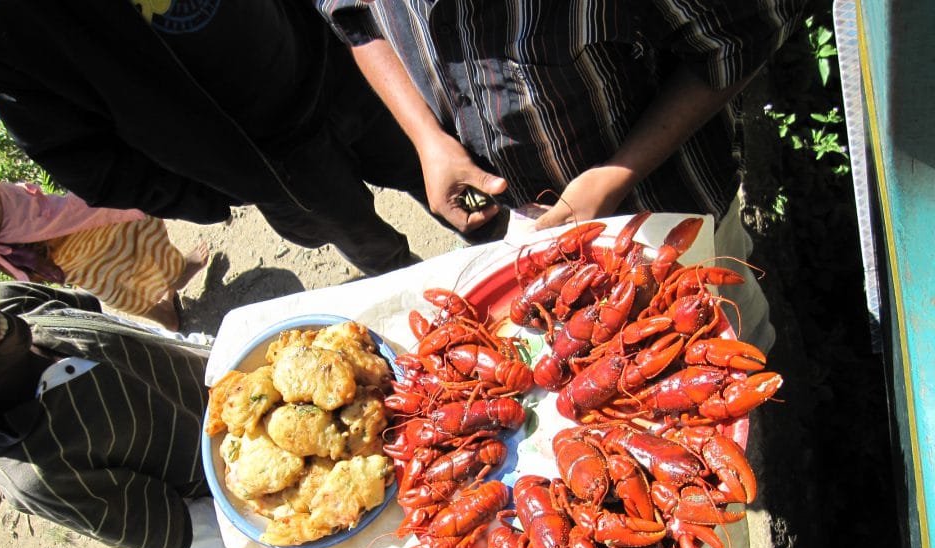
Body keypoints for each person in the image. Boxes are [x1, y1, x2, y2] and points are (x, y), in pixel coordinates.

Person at [316, 0, 808, 349]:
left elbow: (748, 28)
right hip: (521, 214)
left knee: (726, 317)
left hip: (667, 203)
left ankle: (759, 374)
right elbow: (353, 17)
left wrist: (612, 178)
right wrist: (427, 139)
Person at [0, 0, 452, 277]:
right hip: (273, 168)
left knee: (459, 187)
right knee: (384, 261)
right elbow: (88, 164)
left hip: (336, 63)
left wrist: (351, 30)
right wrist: (221, 186)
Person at [0, 275, 224, 548]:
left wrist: (205, 348)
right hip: (239, 478)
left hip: (228, 369)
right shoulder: (39, 472)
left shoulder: (5, 299)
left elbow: (109, 325)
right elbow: (183, 531)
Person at [0, 160, 209, 330]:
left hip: (25, 233)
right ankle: (165, 300)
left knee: (99, 267)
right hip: (32, 231)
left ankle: (169, 286)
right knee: (123, 221)